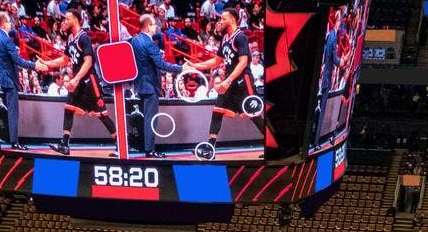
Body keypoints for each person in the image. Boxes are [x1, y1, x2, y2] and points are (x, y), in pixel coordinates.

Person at [39, 10, 119, 157]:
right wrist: (47, 62)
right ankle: (64, 145)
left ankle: (119, 144)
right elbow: (65, 60)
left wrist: (75, 79)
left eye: (67, 19)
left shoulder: (84, 38)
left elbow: (88, 62)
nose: (64, 22)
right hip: (78, 81)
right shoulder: (70, 38)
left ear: (75, 20)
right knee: (68, 108)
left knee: (102, 114)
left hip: (89, 81)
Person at [189, 8, 265, 161]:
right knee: (217, 111)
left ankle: (273, 144)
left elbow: (243, 62)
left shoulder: (241, 37)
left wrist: (228, 80)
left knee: (254, 115)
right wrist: (195, 65)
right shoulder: (224, 39)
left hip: (243, 82)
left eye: (223, 19)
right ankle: (210, 148)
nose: (220, 21)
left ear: (231, 20)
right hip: (229, 82)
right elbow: (216, 61)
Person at [129, 13, 186, 157]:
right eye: (154, 25)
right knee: (150, 119)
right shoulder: (149, 44)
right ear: (148, 26)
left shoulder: (133, 40)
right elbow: (161, 64)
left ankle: (143, 147)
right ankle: (149, 150)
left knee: (143, 118)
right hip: (150, 86)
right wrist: (181, 68)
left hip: (139, 85)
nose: (156, 27)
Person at [0, 11, 42, 148]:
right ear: (4, 23)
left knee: (9, 111)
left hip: (2, 78)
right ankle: (14, 142)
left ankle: (10, 139)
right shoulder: (7, 40)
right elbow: (18, 61)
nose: (11, 25)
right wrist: (35, 65)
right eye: (9, 22)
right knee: (13, 113)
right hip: (10, 80)